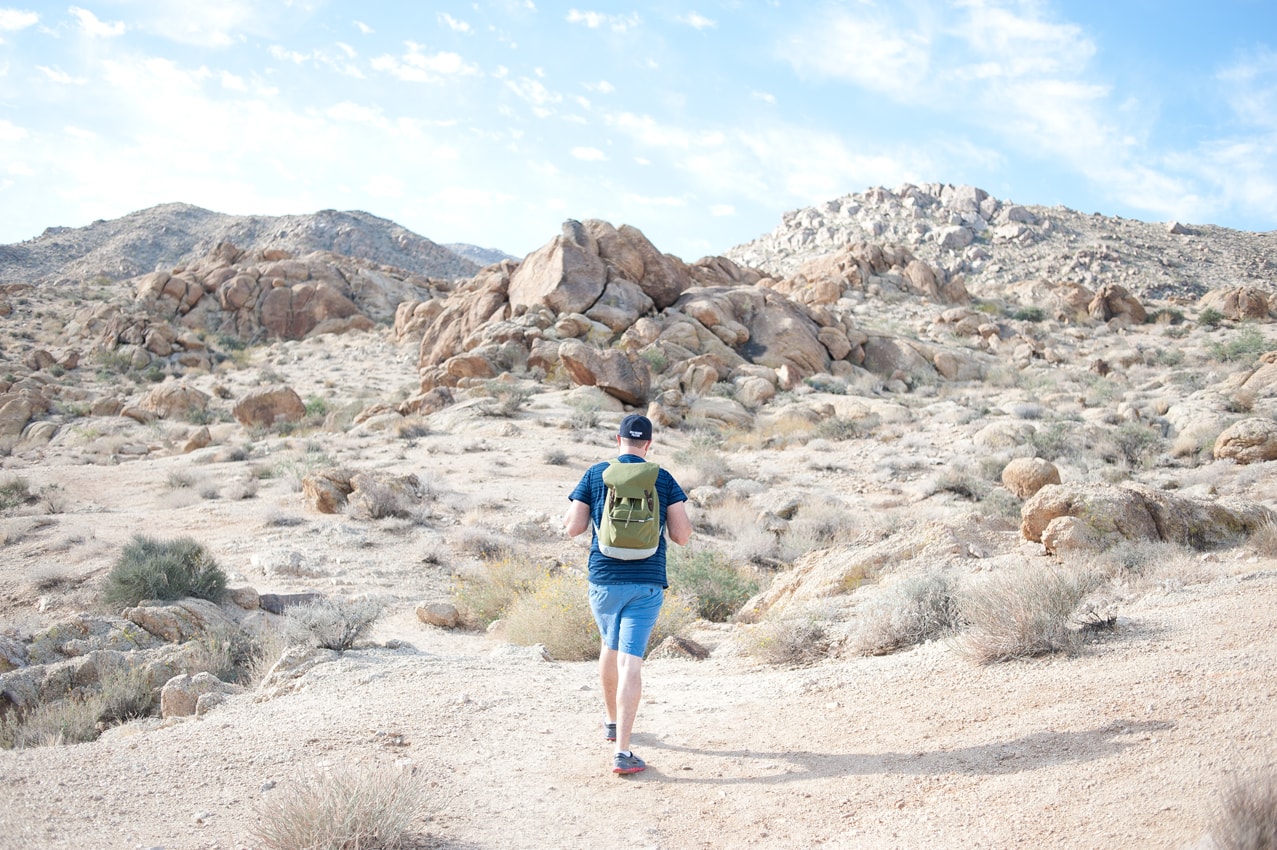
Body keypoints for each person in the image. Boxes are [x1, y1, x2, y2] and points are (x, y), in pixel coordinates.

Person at [563, 413, 692, 775]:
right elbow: (681, 536)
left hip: (603, 580)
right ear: (649, 444)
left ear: (617, 440)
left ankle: (611, 723)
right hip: (646, 583)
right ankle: (623, 752)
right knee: (630, 661)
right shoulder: (663, 478)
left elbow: (573, 528)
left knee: (610, 646)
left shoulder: (595, 474)